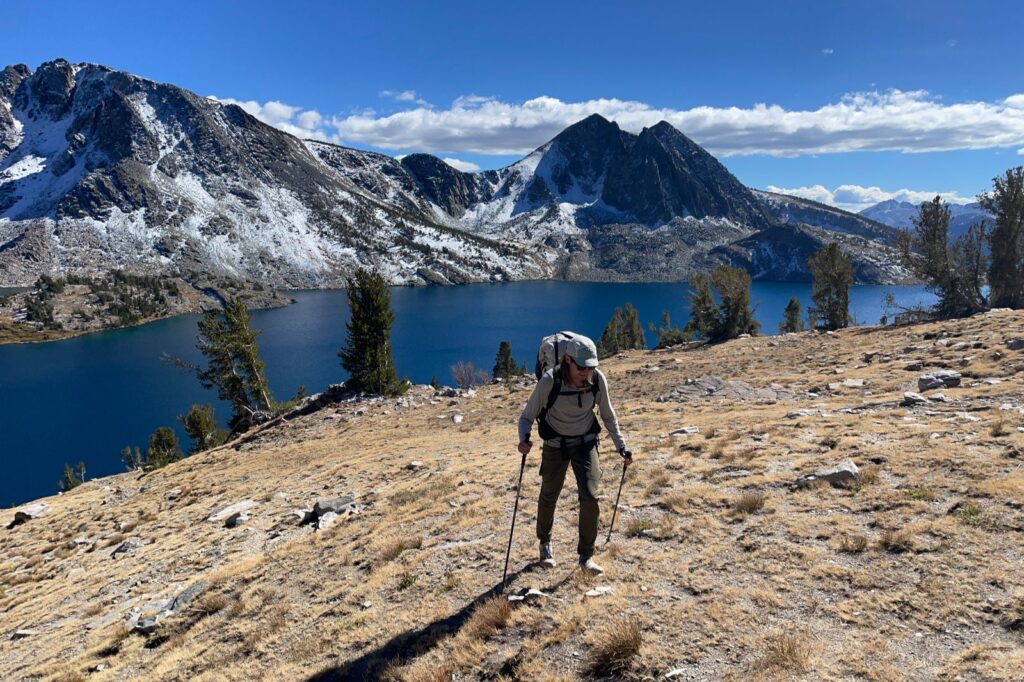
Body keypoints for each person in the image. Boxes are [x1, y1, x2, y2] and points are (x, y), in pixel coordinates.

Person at [517, 334, 632, 575]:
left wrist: (621, 446)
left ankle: (586, 555)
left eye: (591, 367)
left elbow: (608, 416)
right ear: (567, 360)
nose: (586, 372)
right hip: (555, 444)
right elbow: (526, 417)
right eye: (581, 367)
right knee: (549, 495)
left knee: (590, 497)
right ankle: (545, 544)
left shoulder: (597, 380)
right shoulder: (549, 381)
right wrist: (524, 439)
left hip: (585, 442)